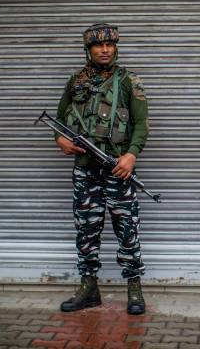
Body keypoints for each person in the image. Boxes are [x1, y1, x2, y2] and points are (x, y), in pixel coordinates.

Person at [55, 23, 149, 314]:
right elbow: (59, 122)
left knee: (127, 229)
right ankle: (89, 287)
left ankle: (134, 288)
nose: (105, 50)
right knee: (86, 230)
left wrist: (132, 156)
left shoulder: (129, 81)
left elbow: (142, 124)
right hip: (85, 170)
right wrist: (61, 141)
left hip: (118, 170)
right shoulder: (75, 82)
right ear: (89, 49)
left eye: (109, 45)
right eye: (98, 45)